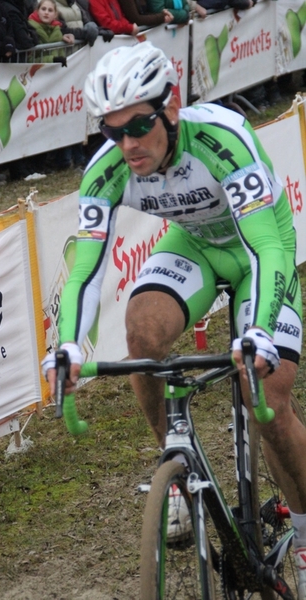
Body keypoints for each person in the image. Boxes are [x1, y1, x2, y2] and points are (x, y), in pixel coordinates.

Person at [41, 42, 306, 598]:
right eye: (112, 132)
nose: (128, 144)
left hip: (262, 248)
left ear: (172, 107)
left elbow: (267, 247)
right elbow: (83, 271)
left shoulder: (221, 139)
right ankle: (180, 476)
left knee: (270, 396)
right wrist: (66, 345)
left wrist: (255, 329)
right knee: (140, 334)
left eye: (139, 125)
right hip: (197, 247)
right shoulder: (108, 170)